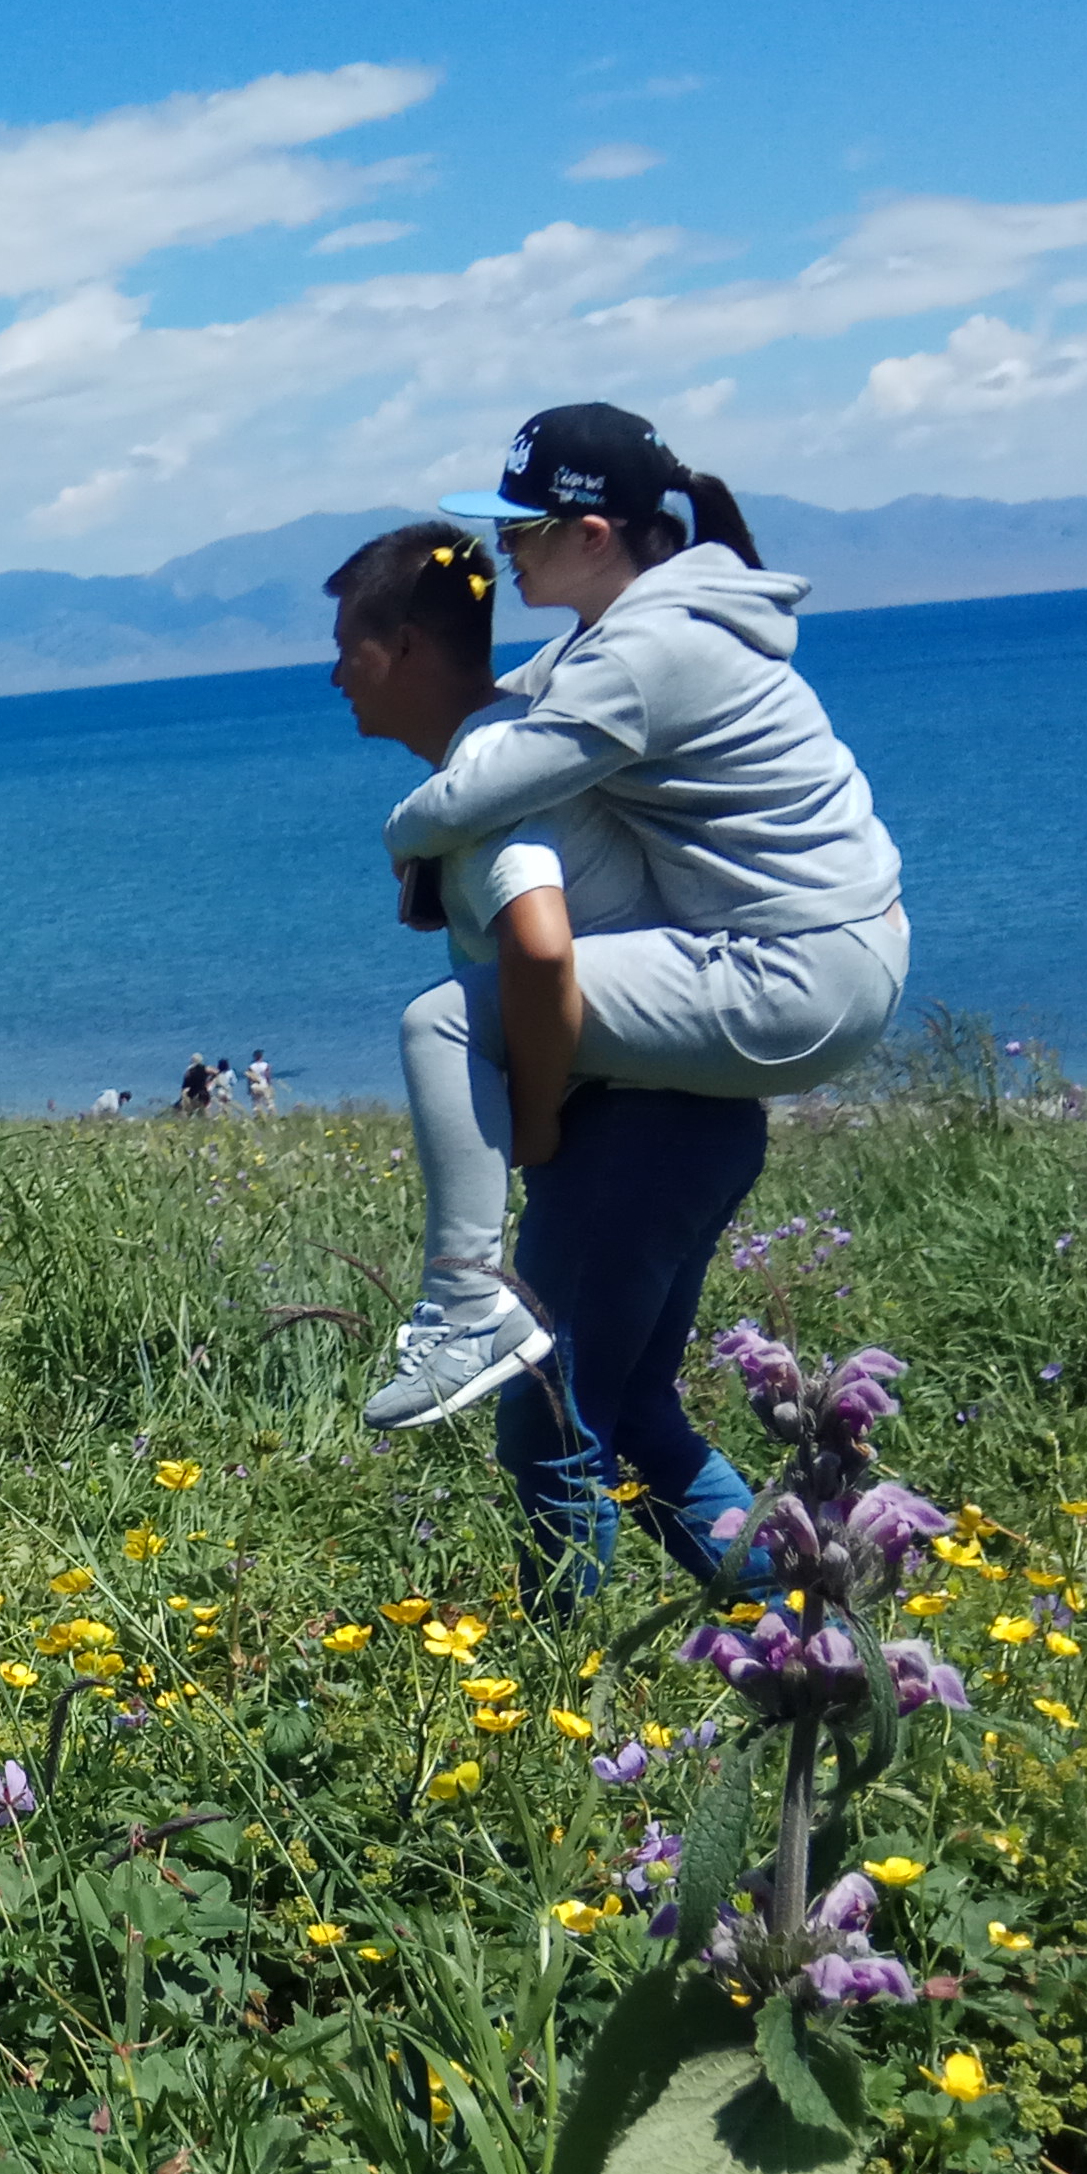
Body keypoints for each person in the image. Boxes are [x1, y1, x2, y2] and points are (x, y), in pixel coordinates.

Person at [360, 403, 908, 1427]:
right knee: (624, 1408)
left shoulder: (645, 653)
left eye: (516, 532)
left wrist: (402, 841)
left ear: (591, 536)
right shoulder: (636, 627)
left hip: (793, 976)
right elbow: (498, 717)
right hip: (833, 953)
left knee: (439, 1022)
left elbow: (479, 786)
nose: (501, 554)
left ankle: (465, 1308)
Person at [325, 518, 767, 1600]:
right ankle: (805, 1630)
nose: (333, 671)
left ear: (409, 648)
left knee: (550, 1423)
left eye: (349, 643)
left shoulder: (489, 775)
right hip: (697, 1118)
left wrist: (532, 1122)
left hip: (636, 1125)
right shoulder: (517, 738)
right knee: (631, 1409)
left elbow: (535, 937)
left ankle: (562, 1703)